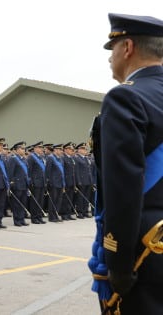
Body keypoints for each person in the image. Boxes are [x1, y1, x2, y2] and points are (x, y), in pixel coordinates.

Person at [89, 13, 163, 314]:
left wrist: (117, 265)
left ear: (128, 47)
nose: (110, 58)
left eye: (113, 48)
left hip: (146, 248)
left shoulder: (125, 98)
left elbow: (123, 192)